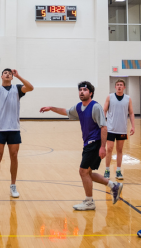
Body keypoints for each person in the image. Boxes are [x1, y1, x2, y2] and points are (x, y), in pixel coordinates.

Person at [40, 81, 123, 211]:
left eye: (85, 90)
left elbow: (104, 127)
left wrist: (102, 147)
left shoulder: (95, 107)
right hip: (88, 143)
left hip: (94, 143)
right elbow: (66, 111)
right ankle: (114, 186)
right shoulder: (79, 107)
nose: (82, 92)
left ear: (90, 93)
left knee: (83, 171)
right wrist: (51, 108)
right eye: (80, 90)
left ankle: (89, 201)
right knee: (88, 172)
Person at [0, 54, 34, 199]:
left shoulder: (17, 89)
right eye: (4, 73)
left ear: (11, 77)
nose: (7, 74)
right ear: (1, 77)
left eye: (9, 73)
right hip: (0, 128)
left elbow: (31, 88)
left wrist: (18, 76)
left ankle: (13, 185)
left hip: (14, 129)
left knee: (14, 156)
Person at [103, 79, 135, 180]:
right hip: (111, 128)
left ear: (124, 87)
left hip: (122, 129)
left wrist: (133, 126)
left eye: (121, 85)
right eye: (118, 85)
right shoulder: (110, 97)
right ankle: (107, 170)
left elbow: (131, 113)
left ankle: (118, 171)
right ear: (115, 87)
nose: (119, 86)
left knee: (119, 150)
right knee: (109, 149)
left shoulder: (128, 98)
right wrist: (103, 124)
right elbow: (104, 110)